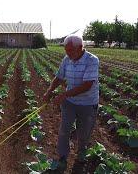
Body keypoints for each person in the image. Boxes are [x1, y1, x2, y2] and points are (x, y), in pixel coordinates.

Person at [43, 35, 99, 173]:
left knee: (83, 132)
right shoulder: (67, 59)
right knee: (64, 129)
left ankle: (81, 155)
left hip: (87, 103)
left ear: (80, 48)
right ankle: (62, 157)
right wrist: (49, 91)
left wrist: (64, 94)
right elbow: (59, 77)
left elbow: (87, 85)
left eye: (70, 50)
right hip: (70, 102)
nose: (68, 53)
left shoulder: (92, 60)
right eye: (66, 50)